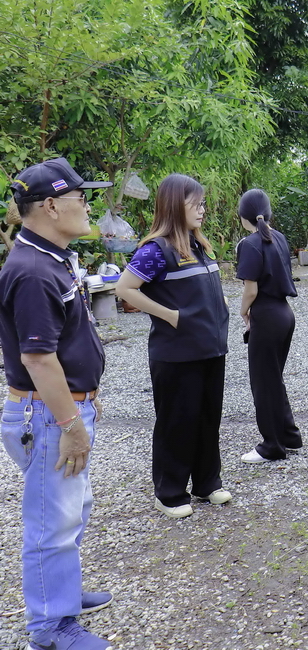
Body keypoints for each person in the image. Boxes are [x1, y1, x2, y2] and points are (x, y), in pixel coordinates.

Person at [0, 157, 115, 649]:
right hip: (48, 415)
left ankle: (60, 590)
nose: (87, 206)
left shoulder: (52, 256)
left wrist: (87, 396)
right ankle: (49, 626)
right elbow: (38, 358)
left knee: (71, 507)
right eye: (81, 198)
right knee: (52, 519)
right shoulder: (32, 271)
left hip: (60, 408)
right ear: (50, 206)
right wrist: (71, 422)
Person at [115, 174, 231, 518]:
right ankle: (169, 493)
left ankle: (207, 483)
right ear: (174, 206)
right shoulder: (156, 250)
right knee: (178, 422)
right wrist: (170, 315)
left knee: (208, 419)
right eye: (196, 204)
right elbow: (125, 289)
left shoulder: (198, 245)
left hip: (211, 348)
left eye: (203, 204)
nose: (202, 210)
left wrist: (221, 304)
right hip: (177, 354)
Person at [235, 189, 301, 463]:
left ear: (243, 217)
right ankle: (290, 436)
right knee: (274, 378)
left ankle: (272, 446)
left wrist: (243, 312)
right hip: (284, 314)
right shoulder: (280, 238)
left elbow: (251, 290)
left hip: (266, 316)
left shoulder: (249, 244)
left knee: (263, 383)